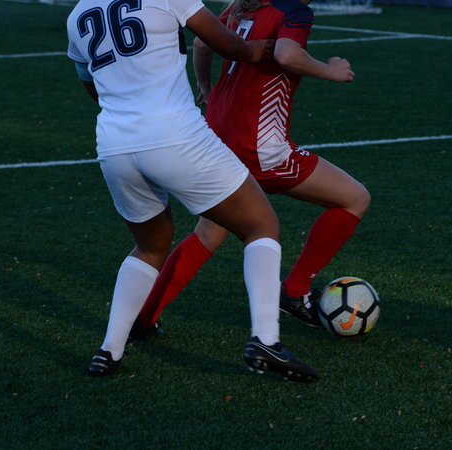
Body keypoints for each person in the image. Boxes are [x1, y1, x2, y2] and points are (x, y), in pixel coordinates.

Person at [66, 0, 318, 382]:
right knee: (260, 224)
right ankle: (266, 341)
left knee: (149, 247)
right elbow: (225, 43)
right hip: (173, 135)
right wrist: (254, 50)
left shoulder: (77, 16)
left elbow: (92, 88)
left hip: (115, 145)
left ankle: (108, 351)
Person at [131, 0, 370, 336]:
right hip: (260, 146)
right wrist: (331, 70)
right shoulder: (294, 11)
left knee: (209, 233)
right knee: (354, 198)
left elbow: (202, 43)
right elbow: (287, 55)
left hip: (217, 137)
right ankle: (295, 291)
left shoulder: (245, 5)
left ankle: (144, 318)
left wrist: (205, 87)